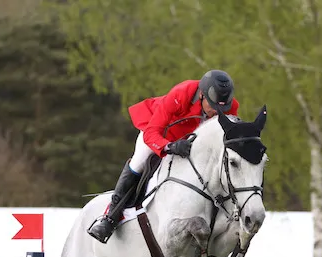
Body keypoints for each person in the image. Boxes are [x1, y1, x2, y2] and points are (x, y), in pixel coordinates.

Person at [87, 69, 240, 243]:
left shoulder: (230, 106)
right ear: (201, 95)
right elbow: (151, 133)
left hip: (190, 141)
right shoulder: (181, 94)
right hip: (160, 133)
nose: (217, 112)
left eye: (222, 108)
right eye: (212, 106)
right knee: (139, 161)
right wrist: (169, 146)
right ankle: (110, 218)